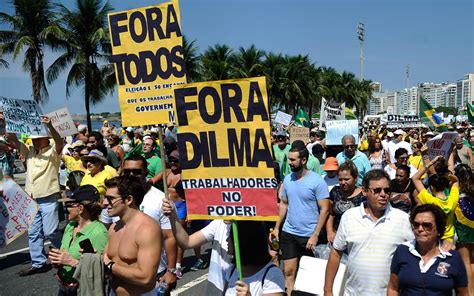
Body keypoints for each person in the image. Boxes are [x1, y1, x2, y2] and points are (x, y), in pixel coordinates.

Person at [324, 169, 414, 296]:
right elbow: (336, 254)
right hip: (353, 293)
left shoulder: (402, 219)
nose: (383, 194)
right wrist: (328, 291)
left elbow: (416, 254)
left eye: (387, 190)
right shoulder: (349, 216)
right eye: (377, 190)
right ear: (365, 191)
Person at [3, 113, 64, 276]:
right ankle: (39, 263)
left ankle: (65, 253)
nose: (35, 141)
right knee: (33, 232)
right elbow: (13, 140)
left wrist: (50, 125)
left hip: (48, 196)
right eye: (34, 139)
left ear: (46, 138)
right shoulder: (29, 151)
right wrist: (7, 122)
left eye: (39, 139)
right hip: (31, 198)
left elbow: (59, 141)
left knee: (51, 231)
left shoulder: (53, 152)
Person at [271, 146, 330, 295]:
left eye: (292, 159)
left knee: (309, 276)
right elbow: (284, 204)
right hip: (289, 233)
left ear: (303, 160)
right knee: (288, 271)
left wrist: (316, 234)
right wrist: (277, 227)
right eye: (289, 159)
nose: (289, 162)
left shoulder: (317, 181)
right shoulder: (288, 179)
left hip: (309, 236)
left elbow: (325, 209)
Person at [122, 154, 178, 293]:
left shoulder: (161, 201)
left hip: (154, 274)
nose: (131, 175)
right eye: (127, 171)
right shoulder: (117, 199)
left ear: (146, 172)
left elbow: (170, 237)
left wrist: (171, 270)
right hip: (122, 272)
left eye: (136, 171)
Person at [387, 204, 468, 295]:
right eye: (416, 224)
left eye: (427, 225)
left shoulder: (453, 258)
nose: (420, 229)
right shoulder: (402, 251)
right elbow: (393, 288)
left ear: (439, 229)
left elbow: (463, 293)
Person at [102, 176, 162, 296]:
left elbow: (146, 277)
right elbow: (106, 258)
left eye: (110, 199)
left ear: (129, 199)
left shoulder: (147, 229)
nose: (104, 203)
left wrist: (110, 266)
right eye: (105, 198)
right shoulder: (114, 227)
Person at [161, 198, 233, 295]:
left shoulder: (252, 231)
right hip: (214, 290)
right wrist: (173, 216)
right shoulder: (218, 223)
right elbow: (187, 242)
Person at [49, 185, 108, 295]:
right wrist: (58, 262)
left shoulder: (99, 233)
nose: (66, 209)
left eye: (68, 205)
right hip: (64, 288)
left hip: (83, 290)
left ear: (80, 208)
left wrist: (71, 262)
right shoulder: (71, 226)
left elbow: (102, 270)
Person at [224, 221, 285, 296]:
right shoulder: (233, 268)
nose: (227, 240)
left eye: (230, 236)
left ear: (243, 242)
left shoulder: (272, 274)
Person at [412, 155, 459, 245]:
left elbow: (415, 178)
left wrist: (432, 162)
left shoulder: (430, 201)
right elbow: (456, 181)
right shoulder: (452, 199)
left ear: (432, 187)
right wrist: (447, 174)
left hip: (434, 240)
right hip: (450, 240)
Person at [326, 161, 365, 244]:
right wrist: (330, 232)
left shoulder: (363, 196)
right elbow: (330, 214)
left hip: (356, 239)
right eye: (340, 179)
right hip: (336, 237)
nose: (343, 182)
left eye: (346, 179)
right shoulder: (335, 192)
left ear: (355, 178)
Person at [454, 164, 474, 295]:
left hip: (463, 229)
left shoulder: (455, 191)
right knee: (472, 261)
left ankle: (470, 293)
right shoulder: (472, 189)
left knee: (466, 261)